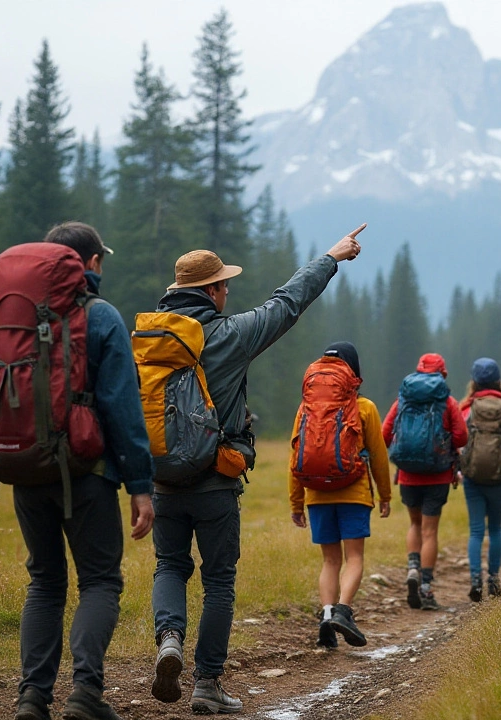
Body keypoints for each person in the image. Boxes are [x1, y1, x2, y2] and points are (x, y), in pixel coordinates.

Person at [148, 225, 366, 714]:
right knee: (219, 580)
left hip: (161, 478)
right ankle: (206, 685)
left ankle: (169, 639)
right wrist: (330, 257)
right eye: (223, 285)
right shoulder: (230, 335)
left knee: (169, 566)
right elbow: (286, 303)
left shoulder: (149, 340)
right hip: (215, 478)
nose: (228, 291)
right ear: (209, 292)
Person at [0, 222, 156, 720]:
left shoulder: (1, 317)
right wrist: (140, 486)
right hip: (86, 470)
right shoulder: (100, 317)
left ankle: (32, 699)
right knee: (99, 581)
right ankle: (85, 696)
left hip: (24, 468)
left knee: (45, 583)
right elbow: (122, 407)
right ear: (90, 263)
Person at [289, 343, 392, 649]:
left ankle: (325, 615)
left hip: (317, 494)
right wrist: (385, 495)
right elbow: (379, 455)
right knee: (355, 557)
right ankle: (343, 611)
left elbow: (295, 455)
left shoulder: (305, 409)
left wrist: (296, 502)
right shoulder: (366, 408)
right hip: (354, 492)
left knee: (330, 561)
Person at [381, 353, 467, 611]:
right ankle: (426, 588)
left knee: (414, 524)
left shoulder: (403, 399)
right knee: (430, 530)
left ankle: (412, 568)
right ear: (443, 374)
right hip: (438, 473)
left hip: (407, 473)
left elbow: (385, 433)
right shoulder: (448, 401)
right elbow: (462, 437)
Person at [458, 358, 501, 601]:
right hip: (500, 477)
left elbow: (458, 438)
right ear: (498, 381)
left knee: (476, 531)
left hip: (473, 477)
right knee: (495, 528)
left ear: (474, 382)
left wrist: (465, 462)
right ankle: (494, 579)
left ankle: (475, 579)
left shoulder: (467, 408)